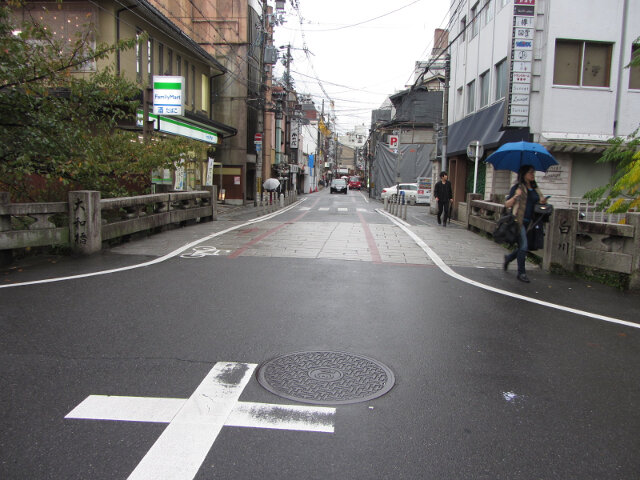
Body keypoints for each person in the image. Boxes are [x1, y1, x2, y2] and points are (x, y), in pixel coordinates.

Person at [503, 164, 548, 283]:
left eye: (533, 172)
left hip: (532, 223)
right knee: (523, 245)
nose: (533, 174)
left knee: (525, 246)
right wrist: (516, 196)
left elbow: (539, 205)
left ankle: (509, 258)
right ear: (524, 174)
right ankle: (521, 273)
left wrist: (542, 201)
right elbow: (507, 204)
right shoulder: (518, 187)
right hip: (519, 221)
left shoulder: (536, 189)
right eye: (530, 172)